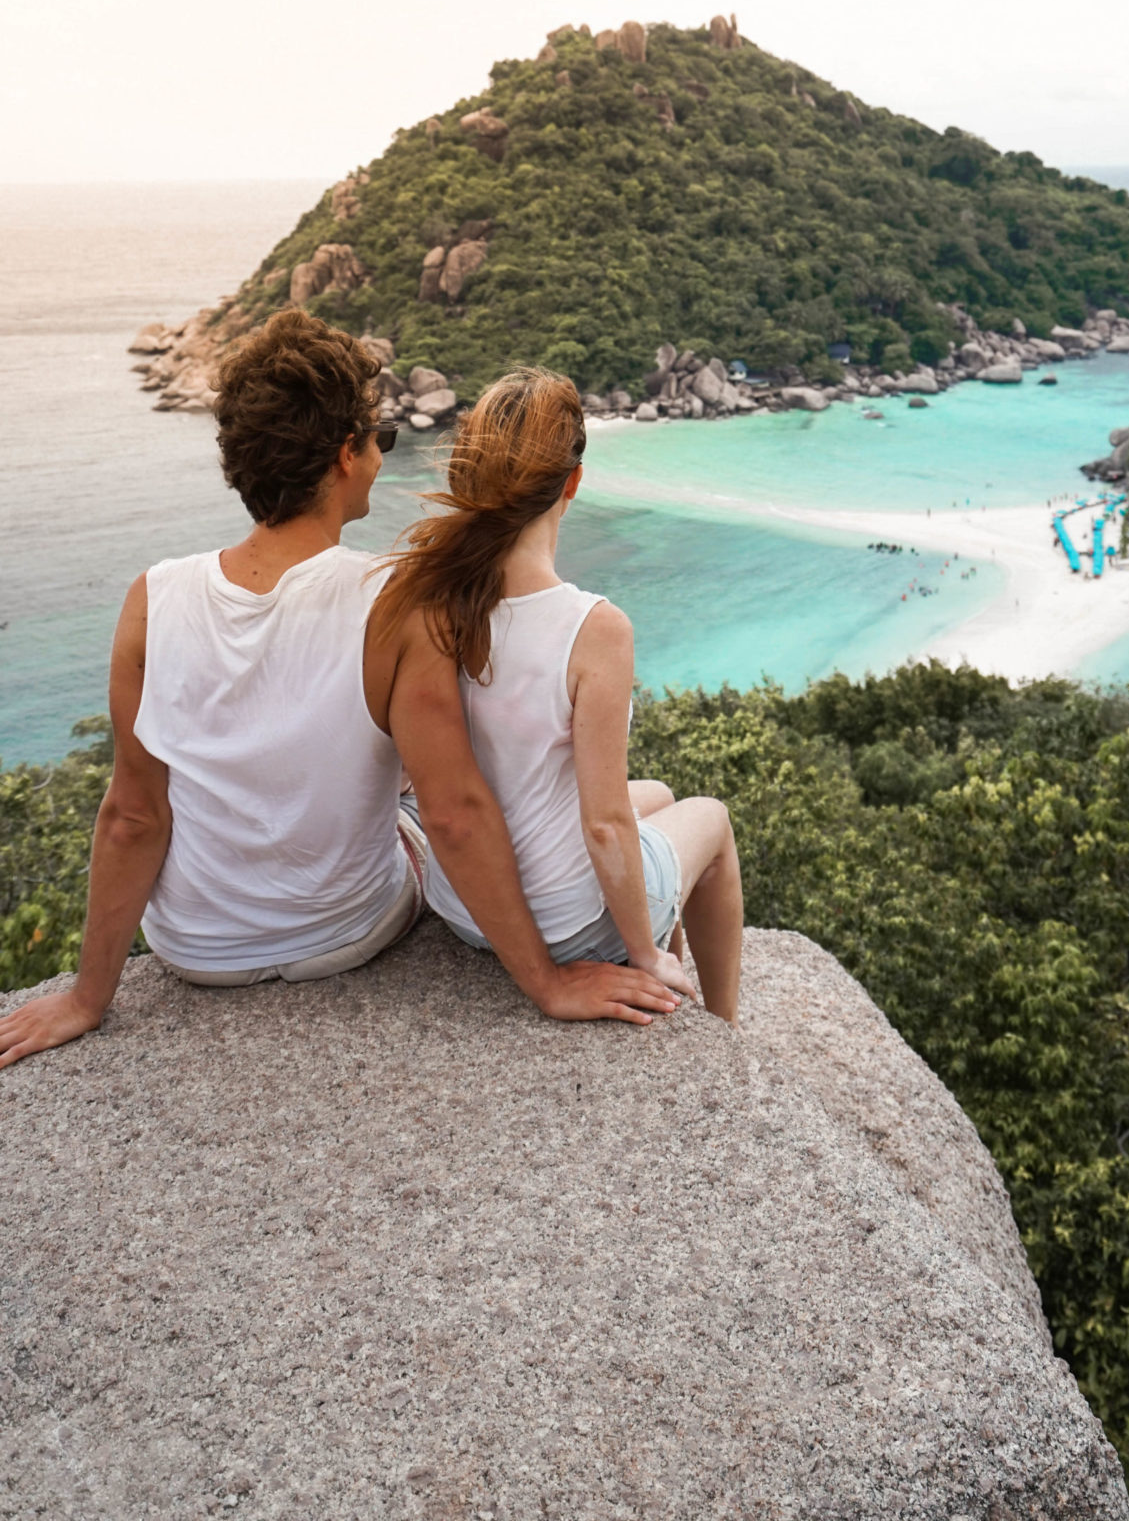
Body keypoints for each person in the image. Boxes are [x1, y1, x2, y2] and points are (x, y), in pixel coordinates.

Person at [0, 314, 678, 1070]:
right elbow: (456, 815)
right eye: (376, 440)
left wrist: (87, 1000)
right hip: (347, 933)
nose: (382, 457)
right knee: (427, 810)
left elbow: (132, 814)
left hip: (198, 949)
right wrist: (547, 983)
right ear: (344, 458)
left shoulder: (152, 599)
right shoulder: (391, 600)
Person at [372, 366, 743, 1020]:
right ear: (572, 482)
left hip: (464, 906)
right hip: (568, 924)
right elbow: (602, 824)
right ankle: (718, 1019)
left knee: (656, 797)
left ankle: (665, 951)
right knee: (709, 816)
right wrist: (640, 949)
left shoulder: (430, 600)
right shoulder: (594, 628)